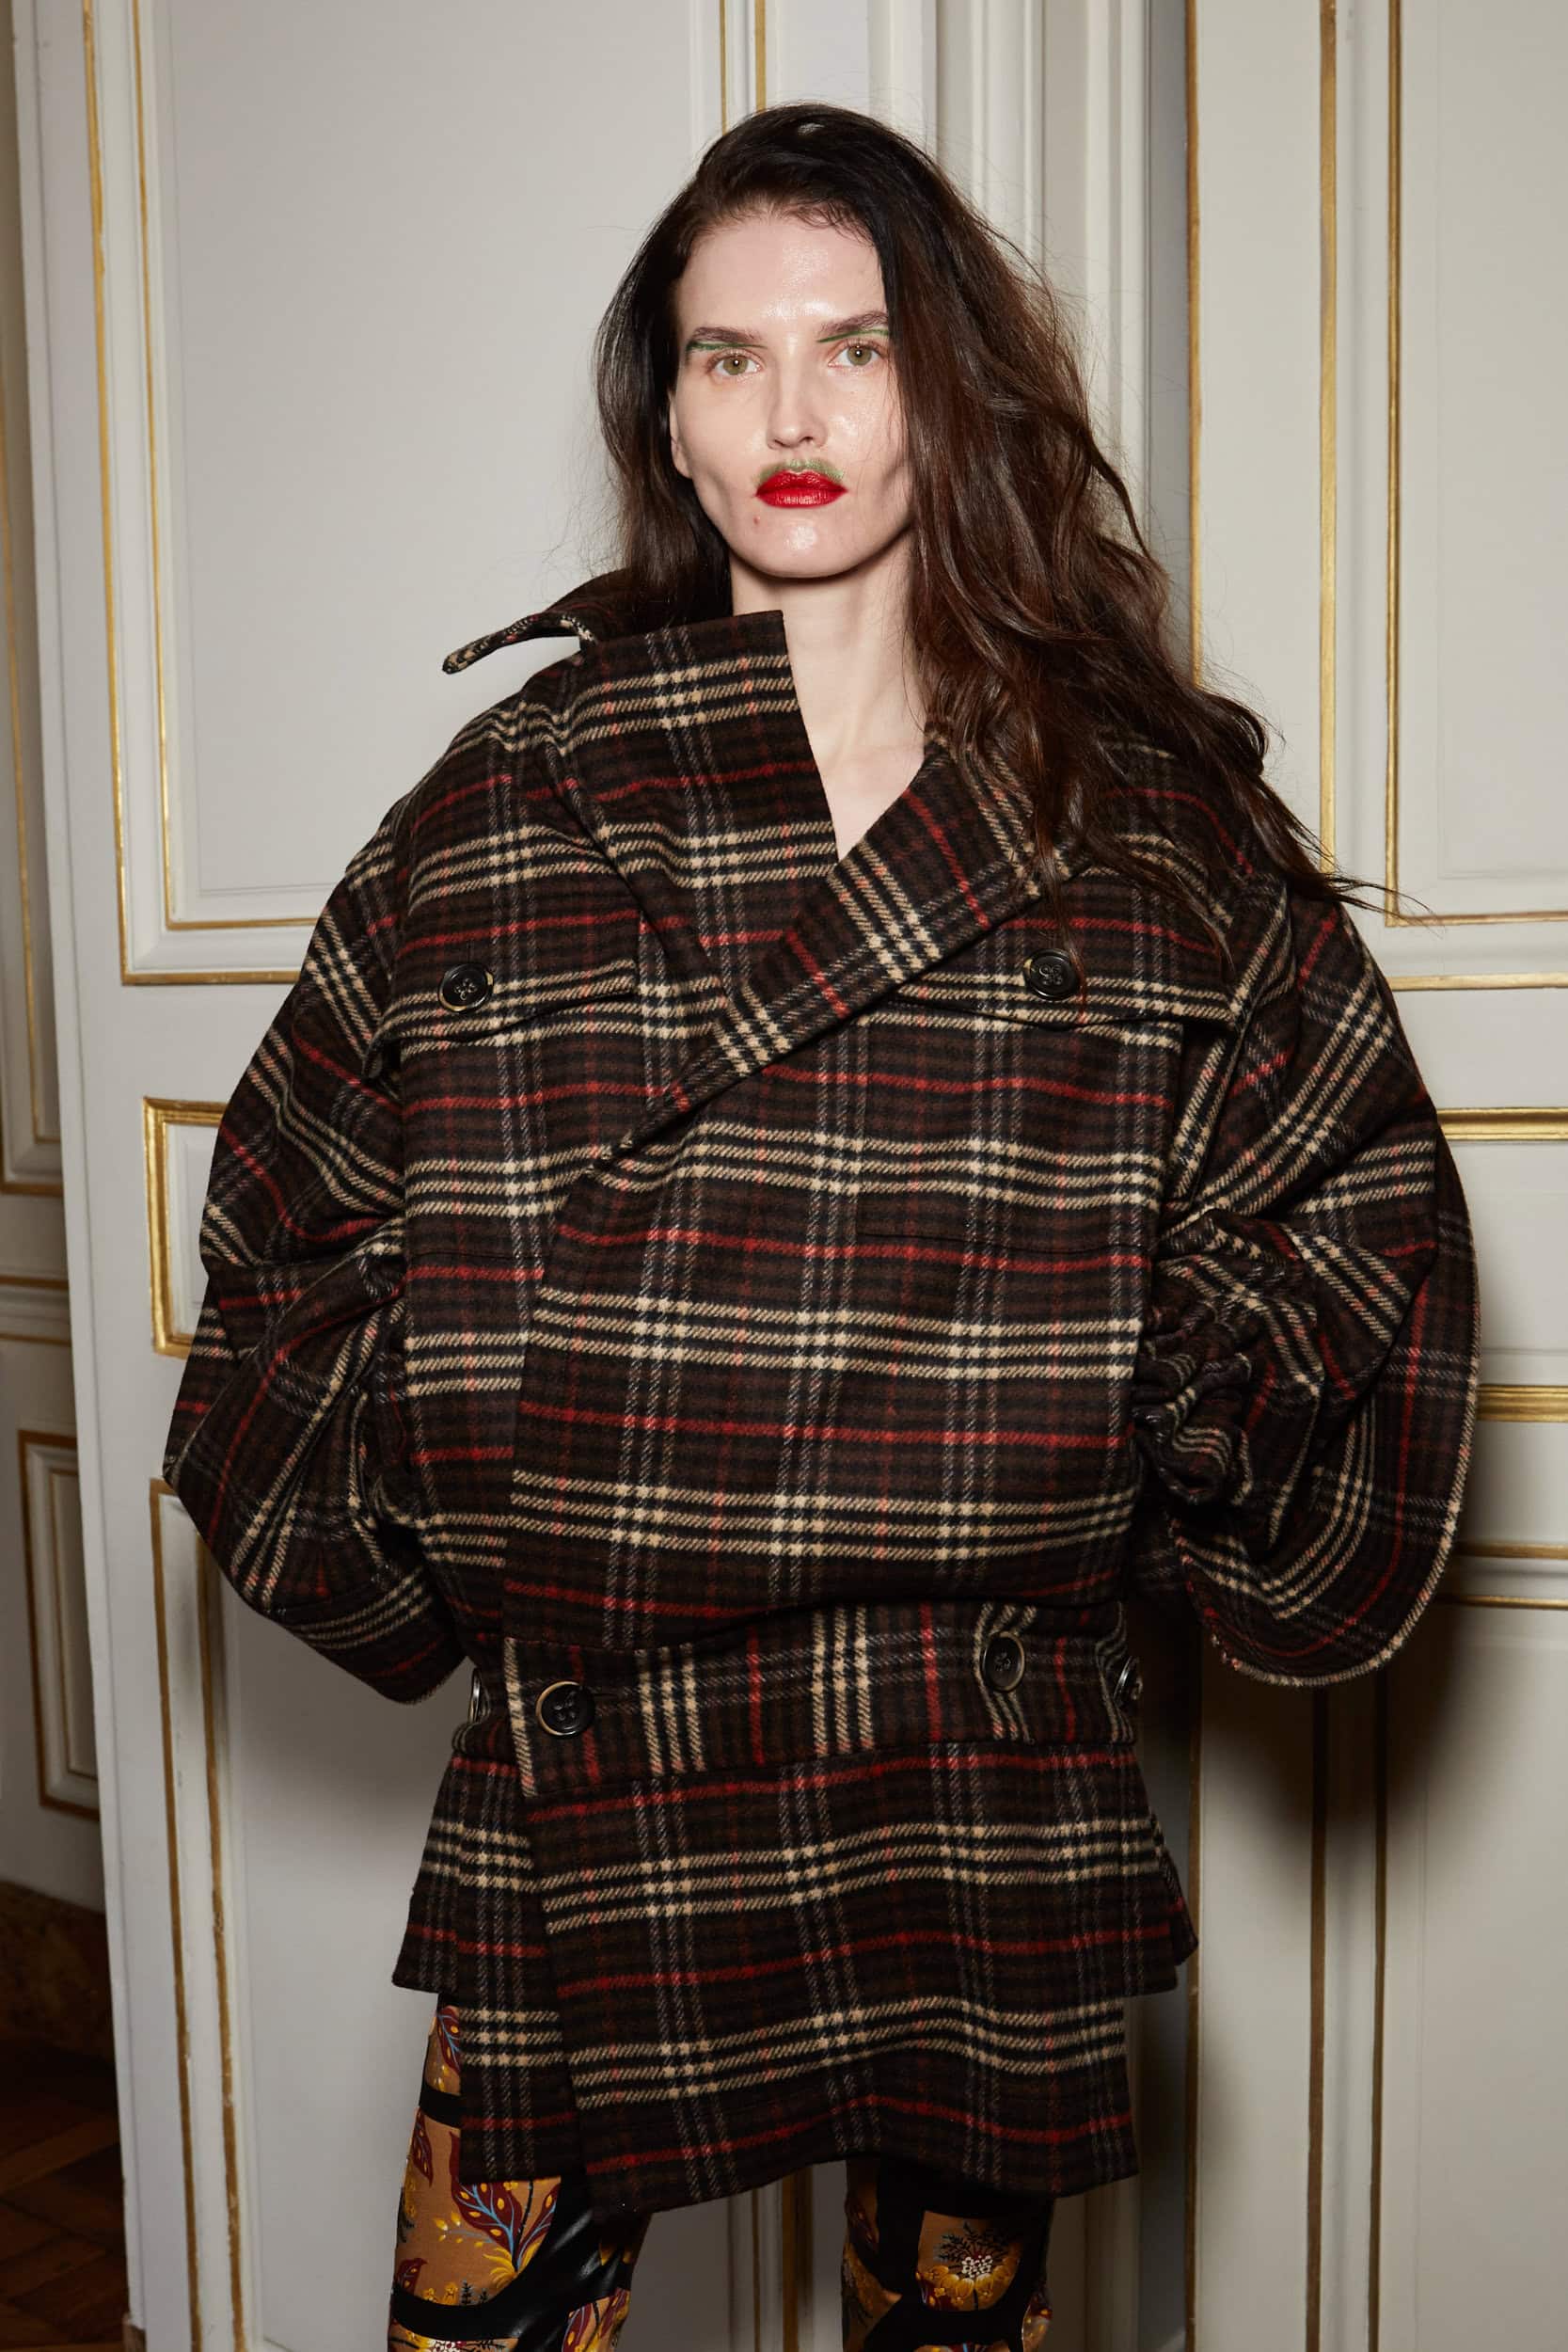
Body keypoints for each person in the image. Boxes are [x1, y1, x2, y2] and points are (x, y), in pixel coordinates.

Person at [160, 102, 1481, 2352]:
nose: (792, 414)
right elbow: (285, 1240)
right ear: (665, 419)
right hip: (600, 1757)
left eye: (855, 348)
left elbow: (1348, 1214)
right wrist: (478, 1510)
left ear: (944, 386)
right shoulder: (500, 808)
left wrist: (1123, 1424)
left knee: (949, 2332)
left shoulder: (1145, 822)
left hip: (965, 1756)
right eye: (728, 356)